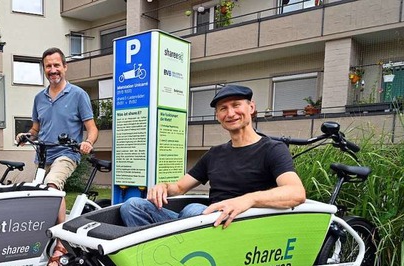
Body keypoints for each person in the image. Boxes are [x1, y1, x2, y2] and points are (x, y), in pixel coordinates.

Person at [120, 84, 305, 229]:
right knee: (132, 206)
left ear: (251, 107)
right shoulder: (214, 154)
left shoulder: (272, 149)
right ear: (217, 116)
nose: (230, 113)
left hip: (241, 224)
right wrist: (163, 186)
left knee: (193, 211)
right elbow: (179, 187)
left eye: (236, 105)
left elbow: (296, 193)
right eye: (223, 108)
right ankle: (156, 256)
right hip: (205, 223)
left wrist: (247, 200)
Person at [16, 47, 98, 266]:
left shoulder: (78, 94)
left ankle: (62, 243)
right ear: (44, 69)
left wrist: (87, 143)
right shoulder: (39, 98)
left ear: (64, 67)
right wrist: (26, 136)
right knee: (34, 199)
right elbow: (35, 129)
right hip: (43, 156)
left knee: (53, 187)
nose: (53, 70)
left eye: (56, 65)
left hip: (67, 154)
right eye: (48, 66)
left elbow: (91, 128)